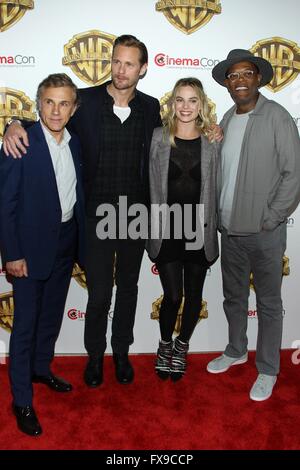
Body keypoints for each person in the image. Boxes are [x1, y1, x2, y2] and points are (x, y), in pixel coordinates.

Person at [3, 35, 162, 387]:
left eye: (129, 64)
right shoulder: (85, 101)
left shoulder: (151, 107)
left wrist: (211, 132)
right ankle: (95, 357)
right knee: (100, 292)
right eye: (116, 62)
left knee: (130, 289)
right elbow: (47, 125)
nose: (121, 70)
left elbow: (168, 145)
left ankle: (121, 352)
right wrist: (12, 123)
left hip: (135, 214)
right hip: (94, 215)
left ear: (143, 69)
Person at [206, 49, 300, 401]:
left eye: (247, 73)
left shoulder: (276, 117)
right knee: (234, 297)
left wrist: (271, 217)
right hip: (229, 231)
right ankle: (235, 349)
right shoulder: (227, 119)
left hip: (264, 233)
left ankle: (268, 369)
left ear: (258, 78)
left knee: (270, 304)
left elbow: (294, 174)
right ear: (227, 83)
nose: (240, 80)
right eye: (233, 75)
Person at [0, 73, 85, 436]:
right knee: (25, 326)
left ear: (73, 108)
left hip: (66, 242)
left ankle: (40, 369)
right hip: (29, 250)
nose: (56, 109)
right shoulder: (21, 142)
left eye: (64, 102)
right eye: (49, 101)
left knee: (50, 318)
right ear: (39, 104)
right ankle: (21, 399)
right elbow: (6, 204)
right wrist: (13, 254)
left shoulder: (75, 143)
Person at [146, 78, 219, 381]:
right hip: (167, 230)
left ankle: (182, 346)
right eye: (180, 99)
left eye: (192, 100)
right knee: (173, 296)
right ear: (172, 103)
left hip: (200, 231)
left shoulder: (213, 140)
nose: (186, 106)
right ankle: (165, 344)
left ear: (201, 104)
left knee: (194, 295)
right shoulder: (157, 138)